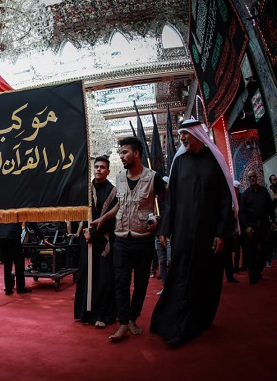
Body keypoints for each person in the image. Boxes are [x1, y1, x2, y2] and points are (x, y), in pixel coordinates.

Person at [150, 119, 236, 346]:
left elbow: (224, 200)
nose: (182, 139)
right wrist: (165, 228)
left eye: (185, 134)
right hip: (183, 233)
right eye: (180, 136)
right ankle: (177, 327)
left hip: (208, 235)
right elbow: (171, 200)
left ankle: (199, 320)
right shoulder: (179, 163)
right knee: (181, 277)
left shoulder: (214, 161)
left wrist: (221, 233)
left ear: (197, 134)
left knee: (204, 278)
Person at [108, 136, 165, 342]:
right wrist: (103, 218)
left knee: (141, 283)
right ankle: (123, 323)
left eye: (124, 152)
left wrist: (159, 222)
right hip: (121, 238)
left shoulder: (153, 178)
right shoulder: (119, 178)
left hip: (144, 239)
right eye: (120, 152)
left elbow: (166, 203)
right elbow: (119, 204)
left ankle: (133, 318)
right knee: (120, 282)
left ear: (136, 153)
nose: (121, 156)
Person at [74, 156, 118, 328]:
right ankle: (85, 314)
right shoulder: (85, 190)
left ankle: (103, 315)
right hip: (86, 239)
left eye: (102, 167)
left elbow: (112, 219)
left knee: (104, 277)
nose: (98, 169)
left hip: (103, 239)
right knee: (86, 274)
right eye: (96, 167)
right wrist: (85, 232)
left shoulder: (113, 191)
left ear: (108, 171)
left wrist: (93, 233)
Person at [239, 170, 275, 285]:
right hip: (252, 226)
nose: (252, 178)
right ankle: (253, 277)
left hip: (264, 225)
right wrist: (246, 227)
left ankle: (258, 269)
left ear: (257, 177)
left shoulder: (264, 191)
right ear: (248, 179)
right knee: (252, 252)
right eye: (250, 177)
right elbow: (242, 213)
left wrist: (273, 220)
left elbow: (270, 207)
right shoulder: (245, 195)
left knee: (266, 250)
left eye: (254, 176)